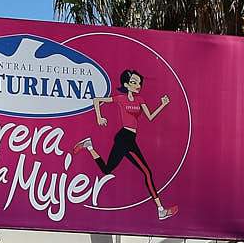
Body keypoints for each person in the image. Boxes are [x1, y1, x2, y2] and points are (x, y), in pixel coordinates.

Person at [75, 68, 178, 221]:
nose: (138, 85)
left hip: (129, 138)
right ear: (126, 84)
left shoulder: (140, 100)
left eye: (139, 83)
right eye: (133, 82)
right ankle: (160, 210)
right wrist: (99, 116)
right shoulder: (120, 98)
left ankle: (89, 145)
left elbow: (150, 117)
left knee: (107, 169)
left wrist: (162, 105)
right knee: (147, 172)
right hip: (124, 138)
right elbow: (97, 100)